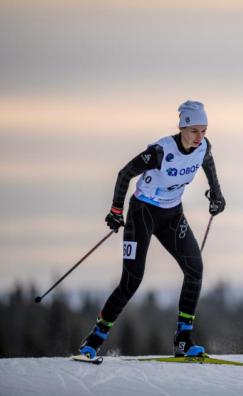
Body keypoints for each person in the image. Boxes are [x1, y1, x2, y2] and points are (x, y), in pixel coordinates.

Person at [78, 100, 226, 359]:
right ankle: (92, 341)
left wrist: (216, 194)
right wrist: (116, 210)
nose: (199, 137)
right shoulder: (159, 152)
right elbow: (124, 174)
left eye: (204, 131)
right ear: (182, 127)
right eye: (194, 131)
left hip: (172, 214)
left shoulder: (203, 147)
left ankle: (183, 341)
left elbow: (209, 165)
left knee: (195, 269)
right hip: (142, 213)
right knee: (131, 281)